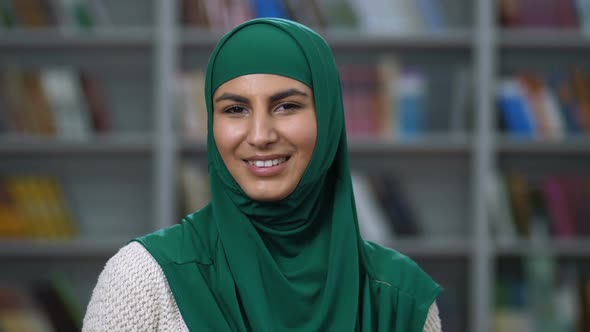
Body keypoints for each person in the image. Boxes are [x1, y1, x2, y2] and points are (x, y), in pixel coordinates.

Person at [83, 18, 443, 332]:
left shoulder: (400, 297)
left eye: (287, 106)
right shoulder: (143, 279)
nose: (259, 135)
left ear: (329, 118)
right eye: (235, 109)